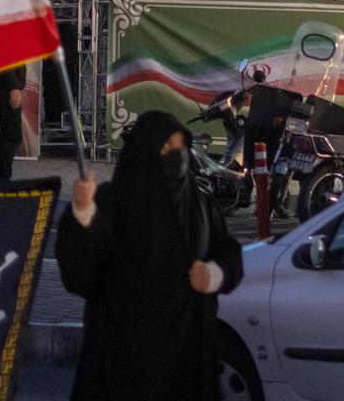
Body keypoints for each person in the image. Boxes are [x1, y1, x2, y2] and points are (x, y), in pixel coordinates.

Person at [57, 111, 243, 401]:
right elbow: (79, 275)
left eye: (181, 147)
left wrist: (214, 274)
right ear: (144, 150)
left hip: (186, 356)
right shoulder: (110, 204)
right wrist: (83, 214)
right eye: (167, 146)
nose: (176, 154)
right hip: (121, 356)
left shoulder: (200, 206)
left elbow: (230, 255)